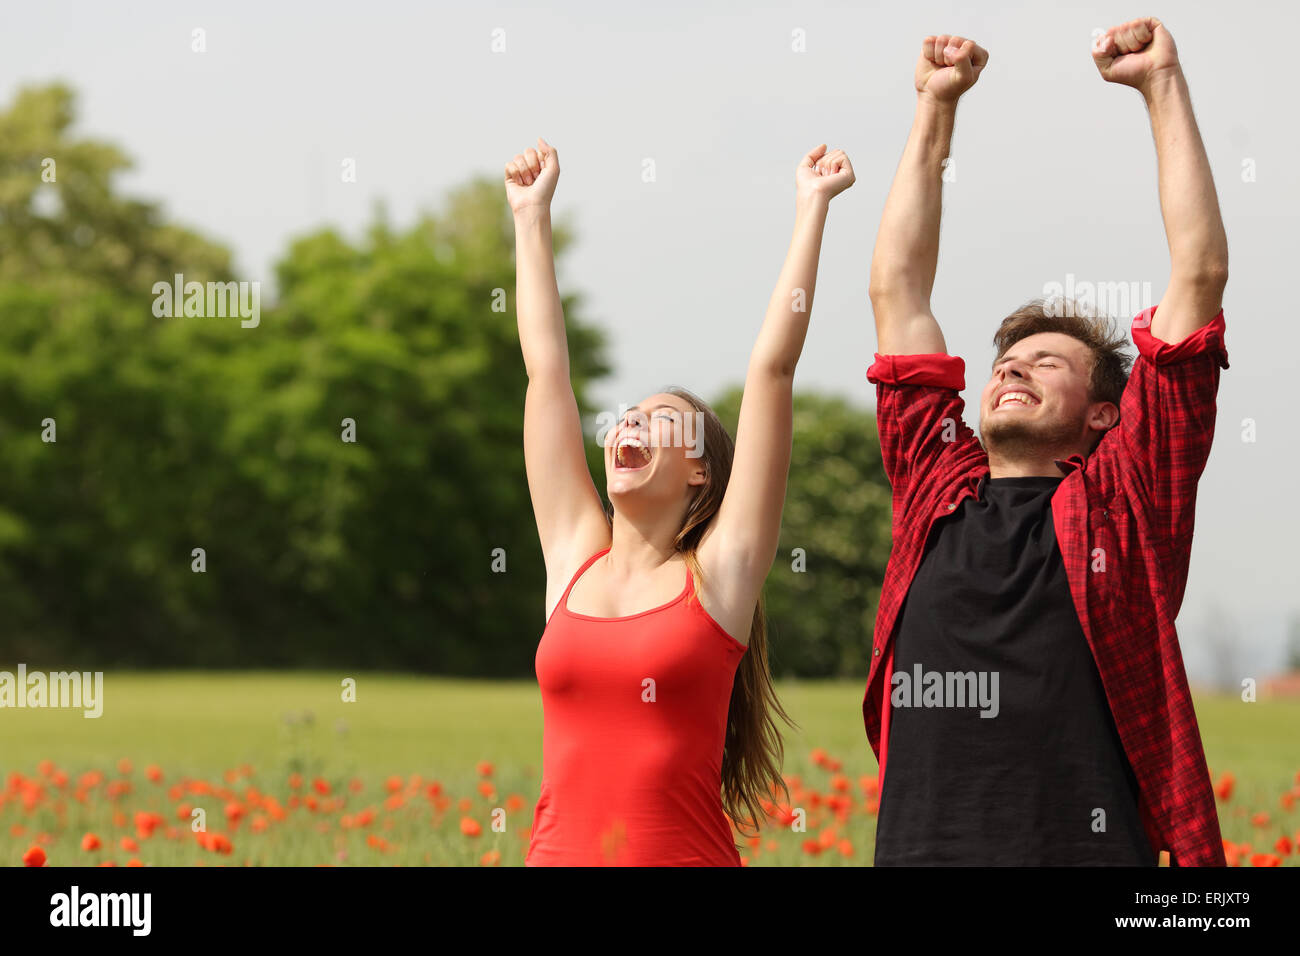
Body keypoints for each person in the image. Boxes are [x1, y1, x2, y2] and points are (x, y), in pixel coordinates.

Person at [864, 19, 1229, 865]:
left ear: (1106, 413)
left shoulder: (1127, 499)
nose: (1011, 370)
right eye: (1006, 362)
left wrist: (1160, 82)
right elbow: (898, 289)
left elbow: (1198, 278)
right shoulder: (934, 481)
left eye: (1047, 363)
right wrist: (933, 107)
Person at [506, 136, 855, 865]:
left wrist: (811, 208)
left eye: (662, 417)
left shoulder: (720, 576)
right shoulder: (573, 557)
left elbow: (772, 371)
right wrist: (530, 218)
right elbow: (546, 373)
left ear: (701, 472)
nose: (629, 420)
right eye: (627, 413)